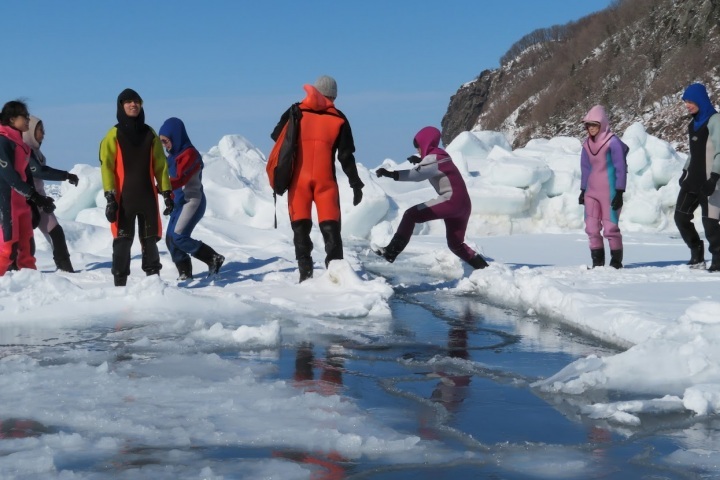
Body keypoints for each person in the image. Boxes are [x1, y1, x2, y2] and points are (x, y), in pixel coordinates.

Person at [270, 75, 364, 282]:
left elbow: (277, 135)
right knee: (331, 229)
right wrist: (355, 183)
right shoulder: (339, 118)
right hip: (326, 182)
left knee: (300, 228)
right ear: (333, 95)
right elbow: (346, 156)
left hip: (299, 181)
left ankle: (305, 275)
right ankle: (336, 276)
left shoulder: (296, 111)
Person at [374, 126, 488, 269]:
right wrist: (419, 160)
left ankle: (390, 252)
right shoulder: (441, 155)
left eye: (418, 147)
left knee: (410, 215)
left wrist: (391, 174)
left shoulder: (433, 159)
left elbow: (416, 175)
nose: (418, 151)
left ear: (425, 143)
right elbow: (432, 165)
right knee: (456, 245)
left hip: (451, 201)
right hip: (464, 205)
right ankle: (485, 269)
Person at [99, 88, 173, 286]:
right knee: (122, 242)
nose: (133, 105)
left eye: (137, 101)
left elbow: (160, 165)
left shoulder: (149, 133)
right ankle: (119, 285)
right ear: (121, 106)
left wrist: (166, 193)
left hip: (147, 196)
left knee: (150, 240)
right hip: (124, 198)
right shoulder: (113, 134)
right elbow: (106, 166)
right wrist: (110, 197)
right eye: (128, 102)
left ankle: (154, 284)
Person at [158, 117, 224, 280]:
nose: (165, 145)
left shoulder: (190, 154)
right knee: (171, 240)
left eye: (166, 141)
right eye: (162, 142)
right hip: (179, 203)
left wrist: (160, 188)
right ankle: (185, 273)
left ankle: (213, 258)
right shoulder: (172, 157)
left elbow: (180, 179)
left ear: (175, 136)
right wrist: (169, 198)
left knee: (179, 237)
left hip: (193, 201)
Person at [0, 100, 56, 276]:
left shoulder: (22, 145)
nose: (27, 120)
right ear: (11, 120)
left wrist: (37, 199)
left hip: (22, 203)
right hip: (6, 202)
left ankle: (30, 282)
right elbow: (9, 175)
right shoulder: (3, 142)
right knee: (7, 246)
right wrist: (33, 195)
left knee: (27, 248)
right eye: (24, 116)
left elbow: (28, 175)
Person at [22, 115, 79, 273]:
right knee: (26, 242)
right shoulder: (23, 150)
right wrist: (66, 175)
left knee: (56, 233)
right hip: (25, 202)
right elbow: (39, 171)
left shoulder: (37, 152)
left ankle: (66, 270)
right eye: (40, 130)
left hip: (40, 201)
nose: (43, 134)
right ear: (30, 131)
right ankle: (21, 276)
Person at [675, 83, 720, 271]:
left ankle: (718, 257)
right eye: (686, 101)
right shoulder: (693, 124)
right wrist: (685, 171)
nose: (688, 105)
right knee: (681, 218)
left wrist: (715, 177)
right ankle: (696, 252)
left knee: (710, 224)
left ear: (701, 100)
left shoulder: (715, 120)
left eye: (691, 101)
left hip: (711, 181)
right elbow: (693, 153)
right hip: (692, 180)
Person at [578, 105, 628, 269]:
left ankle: (616, 263)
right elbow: (585, 168)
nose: (591, 128)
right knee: (591, 228)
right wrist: (583, 190)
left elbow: (621, 167)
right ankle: (597, 263)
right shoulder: (586, 145)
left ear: (602, 124)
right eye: (588, 125)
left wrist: (620, 191)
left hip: (610, 191)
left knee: (610, 229)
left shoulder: (612, 142)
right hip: (591, 192)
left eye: (594, 124)